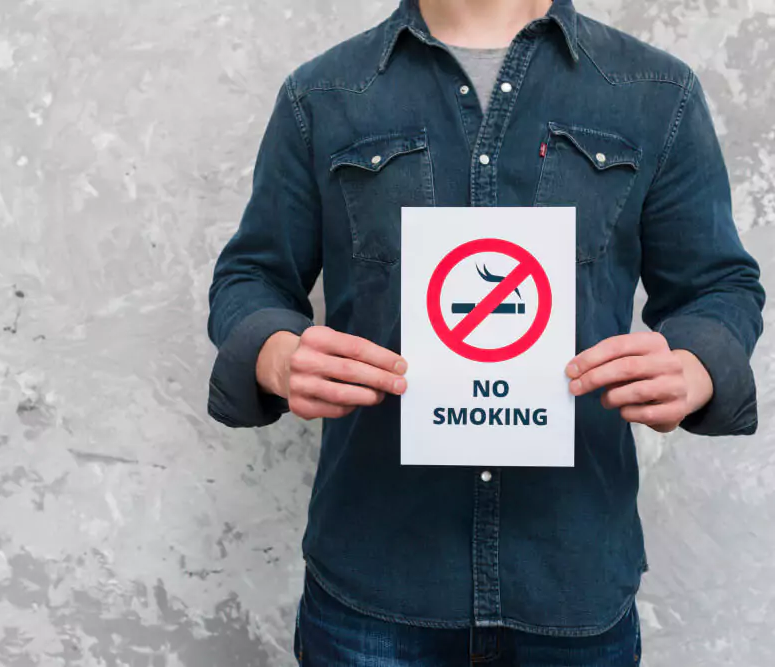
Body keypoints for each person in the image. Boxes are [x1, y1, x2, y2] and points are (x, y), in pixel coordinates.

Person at [205, 0, 766, 664]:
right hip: (373, 585)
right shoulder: (321, 95)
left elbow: (720, 285)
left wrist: (695, 367)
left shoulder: (655, 91)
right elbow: (251, 276)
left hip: (572, 583)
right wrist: (276, 353)